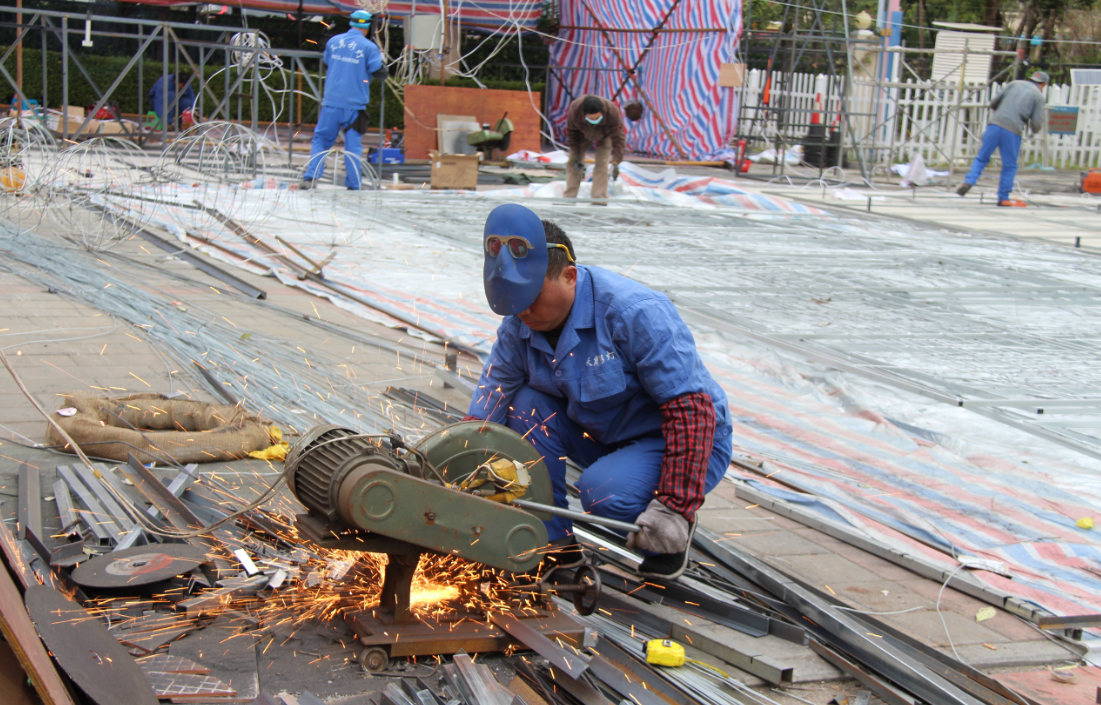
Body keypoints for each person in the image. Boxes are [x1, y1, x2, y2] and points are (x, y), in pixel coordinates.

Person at [464, 204, 734, 579]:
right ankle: (553, 544)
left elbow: (690, 411)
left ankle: (673, 523)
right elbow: (490, 398)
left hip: (685, 442)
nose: (521, 309)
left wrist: (674, 507)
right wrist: (457, 465)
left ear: (570, 277)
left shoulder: (634, 313)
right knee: (525, 405)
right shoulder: (518, 325)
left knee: (603, 494)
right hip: (606, 437)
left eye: (531, 296)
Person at [301, 10, 386, 191]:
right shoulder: (369, 48)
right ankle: (354, 185)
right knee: (352, 146)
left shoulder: (334, 42)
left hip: (331, 102)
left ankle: (310, 178)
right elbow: (379, 72)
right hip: (354, 107)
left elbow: (326, 64)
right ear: (369, 27)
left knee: (321, 141)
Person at [956, 70, 1049, 207]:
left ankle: (969, 181)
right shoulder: (1038, 96)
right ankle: (1003, 197)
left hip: (994, 125)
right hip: (1012, 130)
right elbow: (1036, 122)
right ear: (1044, 84)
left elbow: (994, 102)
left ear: (1031, 79)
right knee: (1010, 165)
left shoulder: (1014, 84)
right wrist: (1034, 131)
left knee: (982, 157)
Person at [564, 95, 626, 201]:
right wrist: (576, 155)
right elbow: (572, 133)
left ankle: (598, 199)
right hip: (582, 134)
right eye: (591, 118)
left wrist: (616, 161)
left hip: (605, 134)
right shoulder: (575, 109)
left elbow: (618, 138)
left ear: (602, 112)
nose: (594, 120)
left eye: (597, 118)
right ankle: (569, 197)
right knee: (573, 163)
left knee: (602, 163)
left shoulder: (612, 111)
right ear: (584, 114)